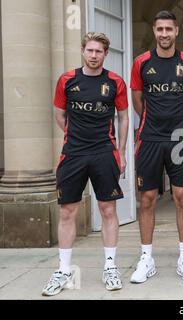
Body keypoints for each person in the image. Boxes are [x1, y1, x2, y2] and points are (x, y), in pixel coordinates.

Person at [42, 32, 129, 296]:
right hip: (74, 153)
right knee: (67, 211)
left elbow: (124, 117)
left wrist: (121, 152)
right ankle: (64, 269)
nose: (93, 55)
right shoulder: (67, 80)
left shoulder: (115, 82)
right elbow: (59, 114)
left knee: (108, 209)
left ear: (105, 54)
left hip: (104, 152)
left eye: (98, 51)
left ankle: (111, 267)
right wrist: (74, 133)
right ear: (83, 51)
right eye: (90, 50)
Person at [130, 10, 183, 283]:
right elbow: (137, 99)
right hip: (149, 138)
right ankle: (146, 258)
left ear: (176, 31)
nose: (164, 34)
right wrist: (152, 119)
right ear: (155, 31)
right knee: (146, 199)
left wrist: (178, 121)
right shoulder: (141, 62)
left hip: (179, 137)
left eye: (168, 29)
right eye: (159, 29)